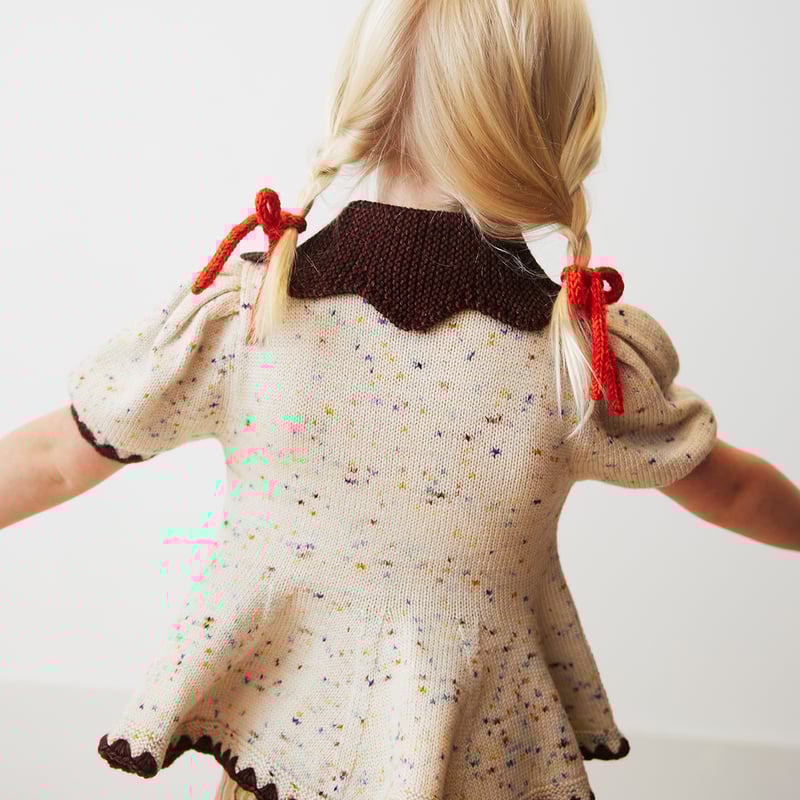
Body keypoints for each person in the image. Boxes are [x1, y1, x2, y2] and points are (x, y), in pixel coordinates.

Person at [1, 1, 798, 800]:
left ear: (361, 99)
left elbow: (56, 459)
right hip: (475, 762)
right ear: (564, 123)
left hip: (280, 762)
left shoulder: (251, 315)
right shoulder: (577, 357)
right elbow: (729, 487)